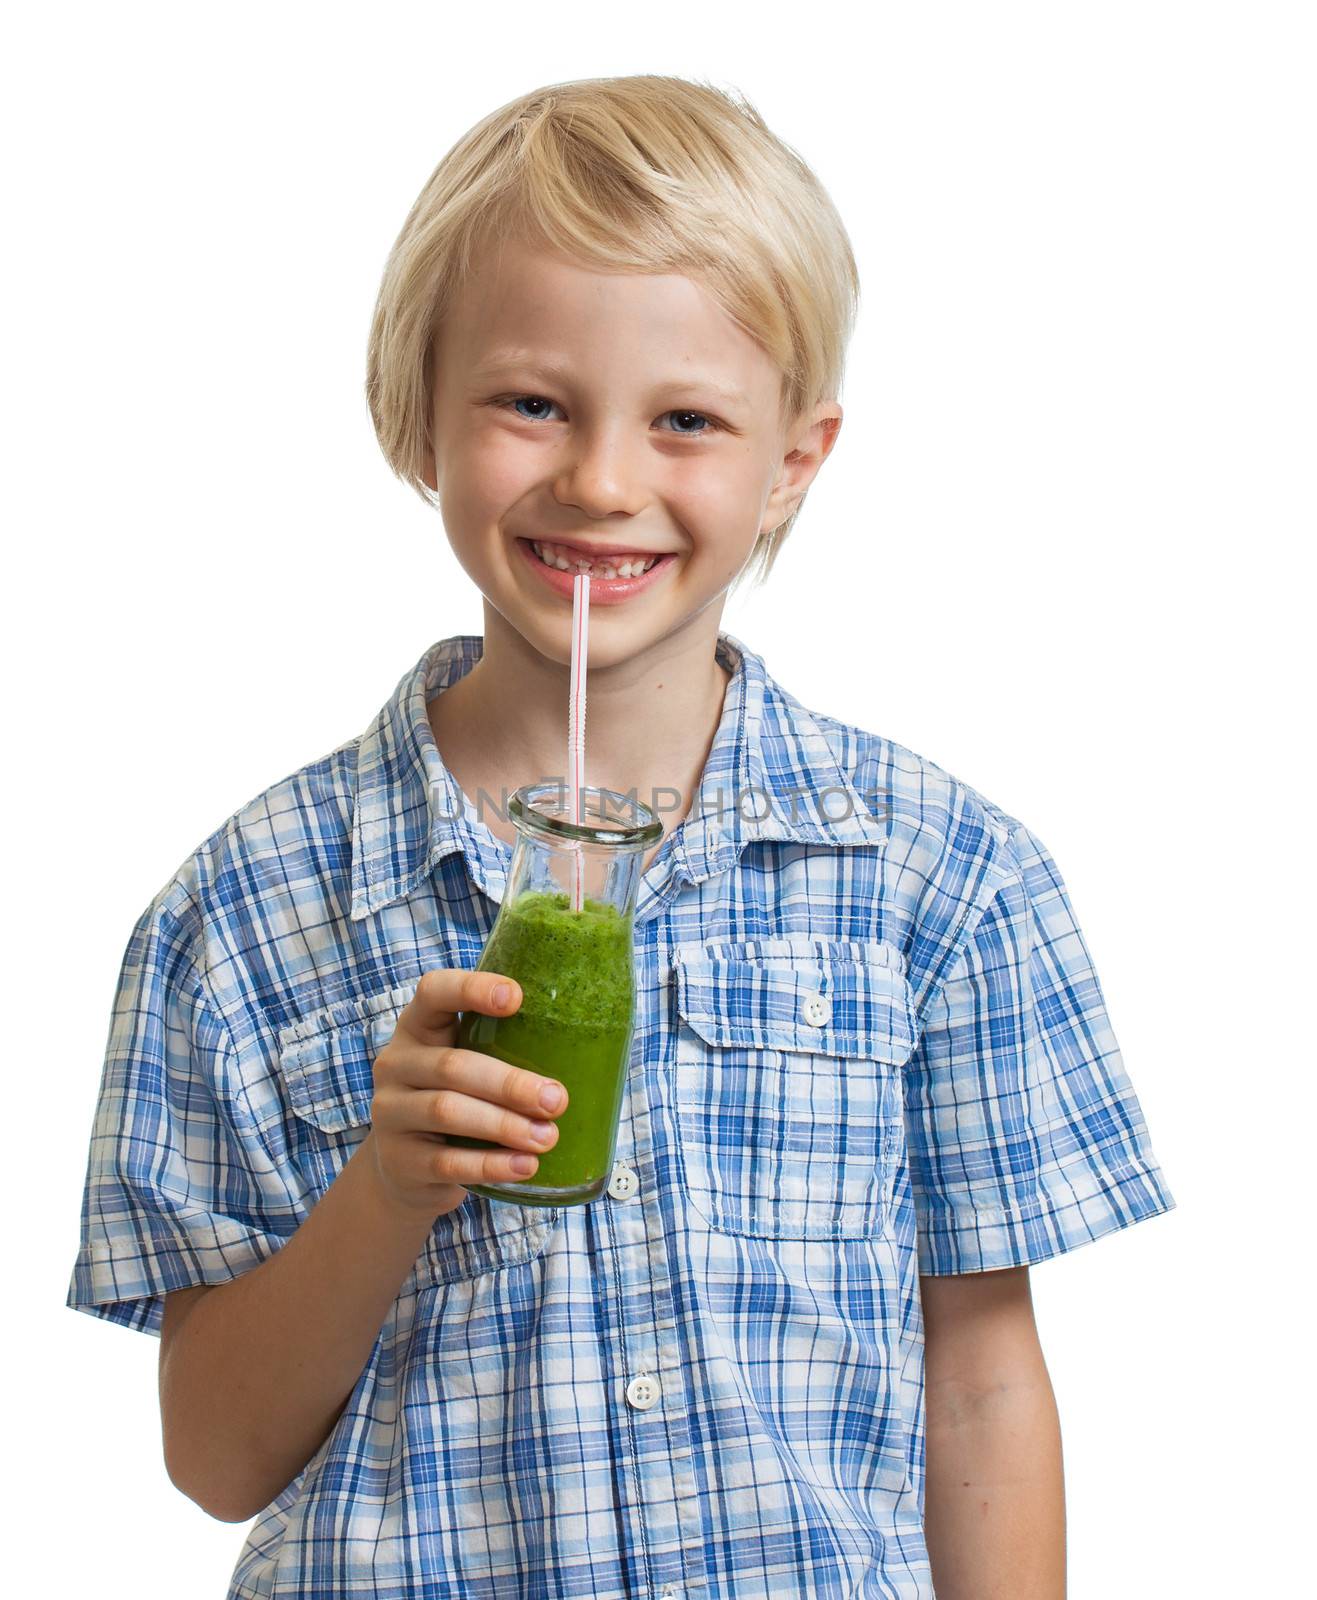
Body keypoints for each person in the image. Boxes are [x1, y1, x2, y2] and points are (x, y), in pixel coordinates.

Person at [66, 74, 1174, 1599]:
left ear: (793, 458)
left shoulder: (941, 878)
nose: (599, 481)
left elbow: (980, 1385)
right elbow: (213, 1457)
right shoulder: (244, 913)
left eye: (687, 421)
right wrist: (388, 1186)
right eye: (532, 402)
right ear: (415, 416)